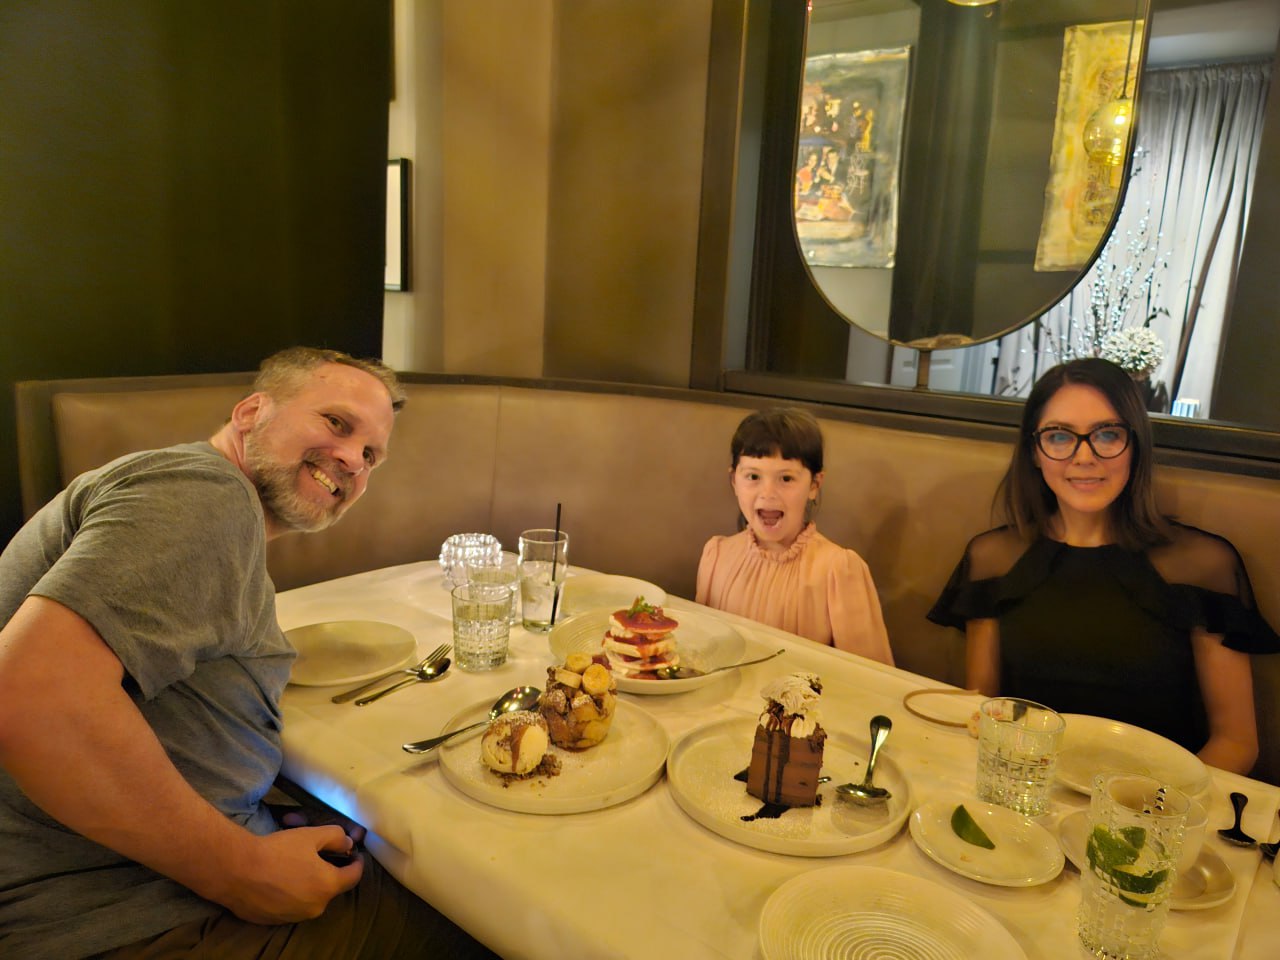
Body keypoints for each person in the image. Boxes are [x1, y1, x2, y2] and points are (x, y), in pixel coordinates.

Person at [0, 347, 496, 959]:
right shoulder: (204, 497)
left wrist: (257, 819)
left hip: (133, 883)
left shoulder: (195, 499)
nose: (352, 459)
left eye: (371, 455)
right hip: (125, 918)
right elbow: (32, 698)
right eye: (336, 423)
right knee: (479, 917)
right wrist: (238, 869)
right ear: (250, 412)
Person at [928, 358, 1279, 775]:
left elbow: (1236, 742)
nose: (1084, 457)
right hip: (1026, 791)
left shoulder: (1200, 565)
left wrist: (1148, 804)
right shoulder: (993, 558)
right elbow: (987, 715)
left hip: (1156, 799)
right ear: (1034, 452)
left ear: (1135, 446)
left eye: (1107, 434)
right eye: (1059, 436)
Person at [696, 407, 893, 664]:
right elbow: (699, 652)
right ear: (734, 481)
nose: (768, 493)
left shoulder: (838, 570)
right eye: (753, 476)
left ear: (814, 485)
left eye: (786, 478)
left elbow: (871, 678)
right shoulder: (716, 555)